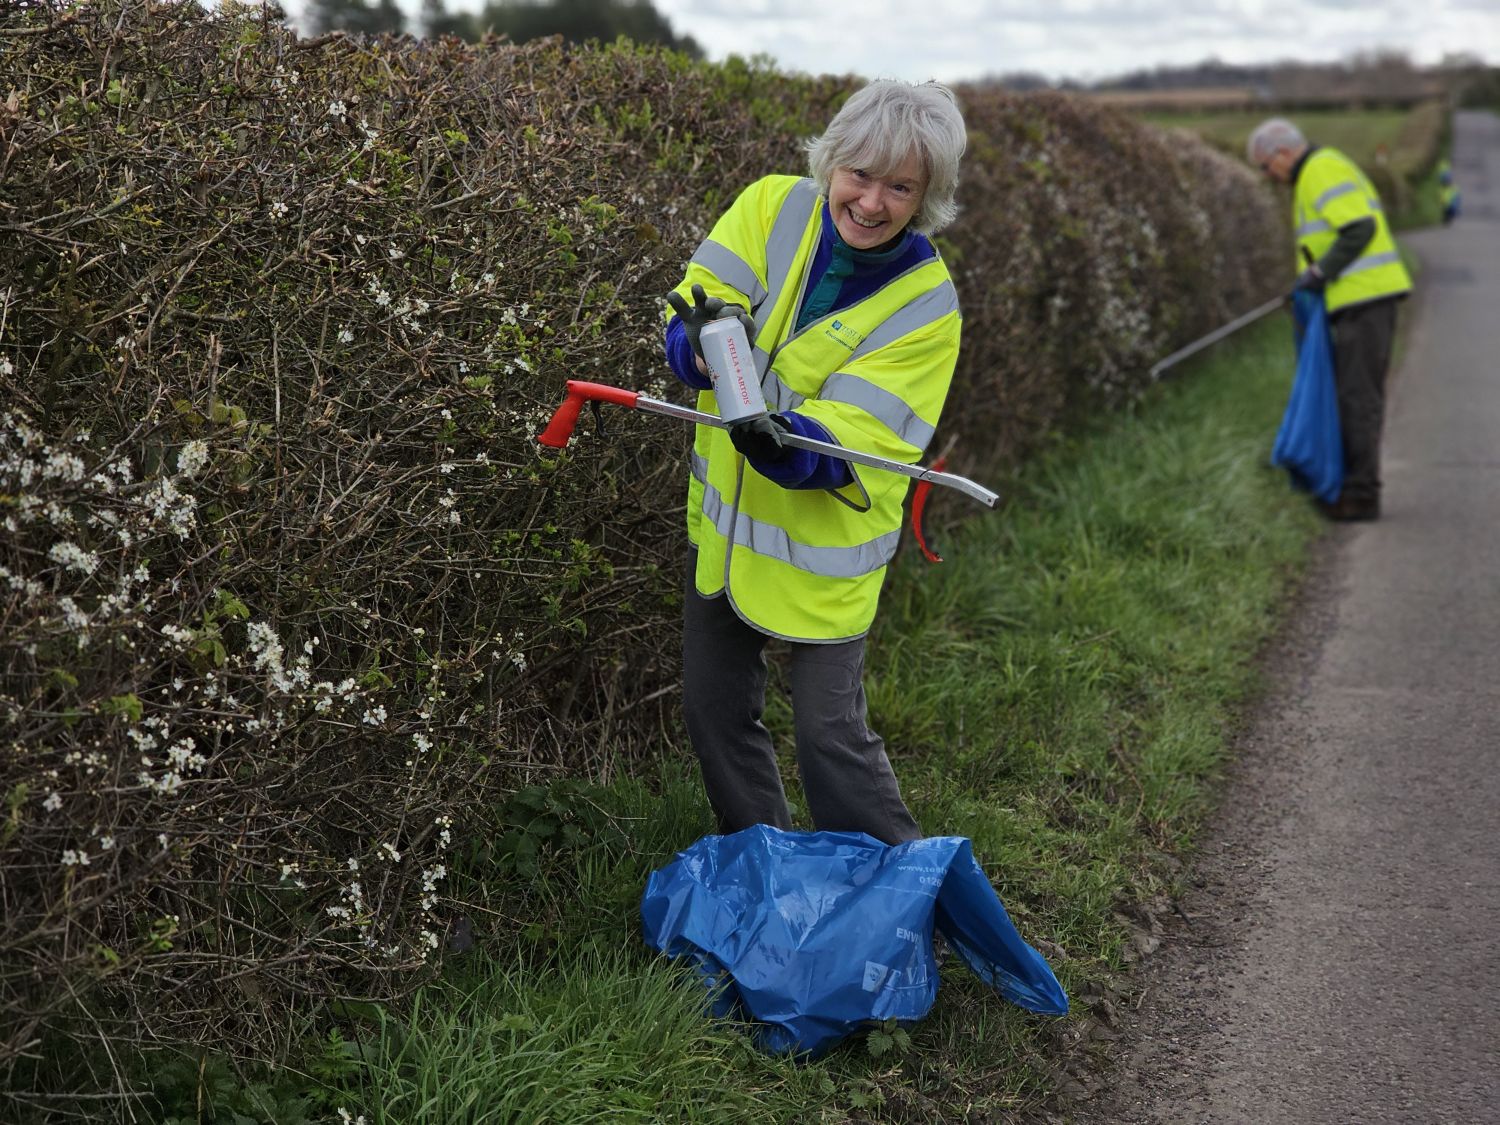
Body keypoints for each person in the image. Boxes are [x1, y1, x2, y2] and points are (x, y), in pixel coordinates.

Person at [661, 79, 966, 845]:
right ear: (831, 162)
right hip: (726, 531)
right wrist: (697, 343)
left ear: (927, 197)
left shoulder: (928, 306)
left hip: (826, 553)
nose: (871, 202)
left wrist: (790, 444)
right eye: (860, 174)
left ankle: (892, 892)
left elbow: (864, 434)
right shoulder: (772, 206)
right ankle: (761, 871)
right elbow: (697, 301)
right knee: (714, 710)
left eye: (901, 187)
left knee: (832, 741)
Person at [1247, 118, 1412, 522]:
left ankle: (1361, 496)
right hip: (1357, 298)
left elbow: (1359, 229)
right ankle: (1346, 486)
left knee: (1359, 398)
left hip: (1367, 295)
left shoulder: (1320, 169)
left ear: (1282, 153)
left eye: (1266, 167)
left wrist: (1320, 274)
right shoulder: (1313, 174)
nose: (1269, 177)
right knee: (1349, 395)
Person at [1438, 159, 1461, 226]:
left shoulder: (1452, 188)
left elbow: (1457, 197)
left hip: (1449, 204)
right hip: (1445, 204)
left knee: (1449, 212)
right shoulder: (1443, 189)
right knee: (1446, 212)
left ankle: (1447, 220)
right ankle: (1446, 220)